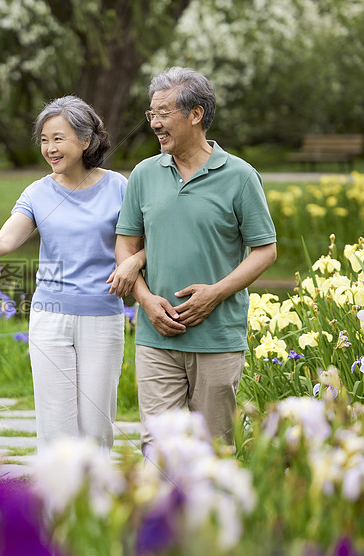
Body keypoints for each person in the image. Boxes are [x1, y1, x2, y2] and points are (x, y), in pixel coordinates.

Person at [0, 96, 144, 452]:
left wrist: (134, 262)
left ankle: (94, 505)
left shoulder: (120, 187)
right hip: (50, 319)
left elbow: (150, 239)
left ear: (86, 140)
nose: (49, 148)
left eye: (59, 138)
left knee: (97, 425)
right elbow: (3, 241)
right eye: (44, 139)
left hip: (103, 317)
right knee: (55, 427)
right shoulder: (37, 193)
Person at [109, 67, 277, 451]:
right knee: (157, 445)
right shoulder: (144, 174)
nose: (154, 123)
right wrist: (146, 300)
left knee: (214, 447)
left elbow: (266, 251)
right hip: (155, 335)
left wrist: (215, 294)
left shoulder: (240, 176)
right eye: (151, 113)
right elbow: (125, 246)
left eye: (164, 112)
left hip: (217, 337)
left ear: (196, 114)